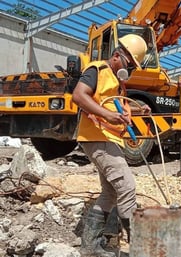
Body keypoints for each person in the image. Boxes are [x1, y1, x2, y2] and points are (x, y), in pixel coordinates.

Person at [72, 34, 150, 257]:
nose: (131, 70)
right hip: (98, 137)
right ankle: (140, 250)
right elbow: (79, 95)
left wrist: (137, 111)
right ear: (117, 55)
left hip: (107, 138)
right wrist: (108, 115)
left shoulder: (117, 82)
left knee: (109, 193)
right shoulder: (97, 70)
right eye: (130, 65)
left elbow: (116, 110)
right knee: (127, 188)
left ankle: (90, 246)